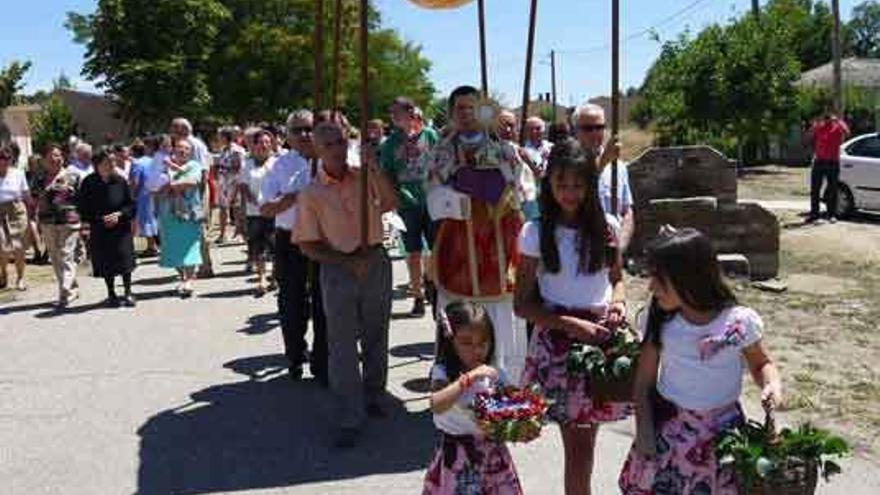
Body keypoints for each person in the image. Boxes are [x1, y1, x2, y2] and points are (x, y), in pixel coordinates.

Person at [619, 227, 783, 494]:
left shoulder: (739, 321)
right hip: (669, 435)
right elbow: (643, 384)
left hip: (723, 438)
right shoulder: (660, 320)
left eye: (658, 279)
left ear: (688, 278)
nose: (650, 287)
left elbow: (761, 363)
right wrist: (644, 431)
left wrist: (771, 385)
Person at [515, 139, 629, 495]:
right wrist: (571, 325)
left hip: (601, 344)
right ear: (548, 184)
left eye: (578, 185)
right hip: (560, 344)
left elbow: (617, 280)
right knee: (579, 447)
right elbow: (522, 305)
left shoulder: (607, 226)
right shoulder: (535, 232)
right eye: (561, 184)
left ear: (589, 185)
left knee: (586, 443)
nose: (569, 193)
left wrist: (619, 305)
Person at [294, 121, 398, 448]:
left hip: (376, 260)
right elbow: (307, 243)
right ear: (317, 150)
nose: (337, 149)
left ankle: (375, 394)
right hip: (338, 268)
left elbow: (392, 203)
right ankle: (349, 415)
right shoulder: (311, 192)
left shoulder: (364, 175)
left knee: (376, 332)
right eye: (329, 145)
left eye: (341, 141)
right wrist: (346, 262)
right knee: (341, 346)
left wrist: (375, 168)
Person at [426, 85, 527, 382]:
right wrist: (455, 200)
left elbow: (523, 189)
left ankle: (505, 381)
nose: (467, 114)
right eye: (460, 109)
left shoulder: (505, 149)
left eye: (472, 108)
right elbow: (431, 192)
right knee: (461, 314)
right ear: (451, 114)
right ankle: (456, 383)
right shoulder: (442, 151)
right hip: (460, 242)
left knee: (503, 315)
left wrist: (508, 191)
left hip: (499, 242)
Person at [423, 301, 524, 494]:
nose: (477, 350)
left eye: (483, 342)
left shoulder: (494, 374)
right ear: (450, 342)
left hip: (493, 454)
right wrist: (468, 379)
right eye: (466, 343)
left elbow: (513, 403)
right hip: (458, 456)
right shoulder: (443, 372)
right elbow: (436, 404)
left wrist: (520, 414)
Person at [261, 110, 328, 384]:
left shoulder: (331, 158)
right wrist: (295, 197)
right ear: (287, 135)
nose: (304, 135)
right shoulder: (279, 166)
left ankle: (323, 360)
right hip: (291, 239)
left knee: (326, 303)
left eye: (309, 128)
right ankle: (295, 355)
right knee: (291, 301)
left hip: (326, 239)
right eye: (297, 130)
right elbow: (266, 207)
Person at [380, 97, 439, 317]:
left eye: (398, 111)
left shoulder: (430, 135)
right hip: (406, 204)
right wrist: (395, 195)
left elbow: (442, 161)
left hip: (431, 200)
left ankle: (431, 283)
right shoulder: (391, 143)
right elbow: (386, 173)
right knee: (413, 252)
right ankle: (417, 295)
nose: (393, 116)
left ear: (410, 112)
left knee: (434, 249)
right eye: (391, 112)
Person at [572, 103, 635, 253]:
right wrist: (603, 162)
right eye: (588, 128)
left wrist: (620, 246)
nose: (595, 133)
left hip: (610, 252)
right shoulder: (566, 164)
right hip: (578, 251)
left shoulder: (618, 167)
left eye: (599, 127)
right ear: (576, 131)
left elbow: (627, 211)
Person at [78, 149, 137, 307]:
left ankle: (128, 292)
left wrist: (119, 214)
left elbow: (131, 204)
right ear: (97, 165)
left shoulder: (120, 181)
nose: (112, 165)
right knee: (106, 262)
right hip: (100, 228)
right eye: (108, 162)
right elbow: (83, 208)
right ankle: (111, 294)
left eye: (113, 161)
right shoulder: (88, 183)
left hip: (121, 227)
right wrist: (99, 220)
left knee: (125, 260)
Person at [35, 144, 83, 307]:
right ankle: (72, 288)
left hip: (69, 220)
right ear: (43, 161)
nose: (56, 159)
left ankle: (64, 288)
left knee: (66, 253)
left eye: (58, 155)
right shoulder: (39, 178)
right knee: (55, 257)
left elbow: (81, 198)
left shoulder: (73, 175)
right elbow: (35, 199)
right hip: (47, 221)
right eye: (51, 157)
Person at [155, 139, 204, 298]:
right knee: (172, 246)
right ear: (173, 150)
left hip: (188, 213)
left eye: (186, 149)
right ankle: (183, 276)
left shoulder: (194, 166)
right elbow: (154, 186)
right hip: (168, 213)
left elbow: (192, 181)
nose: (182, 151)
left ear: (190, 152)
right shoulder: (164, 166)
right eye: (179, 148)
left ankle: (189, 279)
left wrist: (170, 185)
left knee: (190, 245)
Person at [170, 117, 214, 278]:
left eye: (174, 128)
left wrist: (201, 195)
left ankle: (205, 266)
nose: (171, 131)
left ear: (183, 129)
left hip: (196, 190)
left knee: (199, 228)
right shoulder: (184, 145)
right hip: (186, 190)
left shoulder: (194, 145)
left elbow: (204, 171)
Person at [239, 129, 276, 296]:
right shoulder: (247, 164)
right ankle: (261, 278)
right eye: (261, 142)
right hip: (254, 212)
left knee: (275, 246)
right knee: (257, 246)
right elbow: (243, 186)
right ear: (254, 145)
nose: (264, 145)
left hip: (275, 210)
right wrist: (253, 201)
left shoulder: (277, 163)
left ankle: (274, 277)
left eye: (267, 142)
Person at [807, 109, 850, 223]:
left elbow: (847, 133)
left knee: (832, 189)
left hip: (833, 162)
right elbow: (809, 135)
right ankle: (814, 215)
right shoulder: (819, 127)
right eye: (825, 116)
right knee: (815, 189)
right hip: (819, 161)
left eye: (829, 116)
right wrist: (816, 124)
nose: (827, 118)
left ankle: (831, 215)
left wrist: (839, 121)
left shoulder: (838, 127)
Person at [497, 110, 540, 221]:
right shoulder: (490, 152)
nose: (507, 129)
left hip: (529, 204)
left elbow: (539, 176)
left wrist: (528, 161)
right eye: (503, 125)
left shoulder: (523, 151)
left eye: (511, 125)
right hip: (505, 208)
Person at [0, 146, 33, 290]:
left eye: (7, 158)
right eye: (1, 158)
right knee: (2, 247)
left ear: (11, 159)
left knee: (19, 247)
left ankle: (20, 278)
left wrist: (33, 209)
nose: (4, 162)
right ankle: (4, 273)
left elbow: (26, 194)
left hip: (17, 211)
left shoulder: (18, 173)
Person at [214, 126, 246, 244]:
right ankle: (222, 234)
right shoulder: (223, 150)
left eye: (220, 136)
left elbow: (240, 168)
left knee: (236, 208)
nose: (218, 138)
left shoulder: (237, 150)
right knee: (222, 208)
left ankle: (239, 233)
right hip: (223, 182)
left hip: (234, 181)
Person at [129, 138, 160, 257]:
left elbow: (135, 181)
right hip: (153, 192)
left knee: (143, 220)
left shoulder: (136, 163)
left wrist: (133, 195)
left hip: (142, 194)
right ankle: (152, 245)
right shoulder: (151, 161)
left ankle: (151, 247)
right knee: (152, 218)